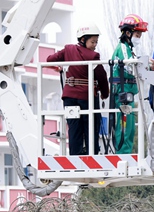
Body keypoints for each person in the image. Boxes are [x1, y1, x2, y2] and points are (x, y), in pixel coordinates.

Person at [47, 23, 110, 155]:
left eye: (96, 42)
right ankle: (91, 155)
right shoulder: (93, 56)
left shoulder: (68, 50)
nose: (94, 45)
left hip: (69, 98)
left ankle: (74, 156)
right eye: (93, 41)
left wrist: (58, 66)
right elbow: (102, 76)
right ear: (83, 39)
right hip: (87, 98)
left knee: (74, 127)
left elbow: (49, 59)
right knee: (90, 127)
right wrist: (105, 93)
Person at [110, 14, 148, 153]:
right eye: (137, 34)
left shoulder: (128, 49)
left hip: (127, 93)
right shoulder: (123, 48)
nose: (139, 38)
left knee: (129, 126)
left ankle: (126, 152)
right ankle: (122, 154)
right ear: (127, 32)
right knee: (124, 126)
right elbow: (129, 65)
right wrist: (145, 65)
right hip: (123, 93)